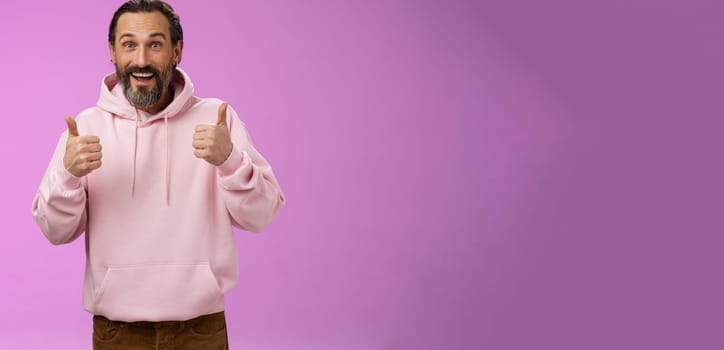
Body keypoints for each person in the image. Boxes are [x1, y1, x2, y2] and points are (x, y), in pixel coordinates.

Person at [31, 0, 285, 348]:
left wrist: (230, 160)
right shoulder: (86, 127)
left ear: (177, 50)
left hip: (200, 328)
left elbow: (261, 215)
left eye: (155, 44)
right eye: (129, 44)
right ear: (112, 51)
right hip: (118, 331)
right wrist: (68, 176)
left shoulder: (216, 120)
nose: (141, 60)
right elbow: (56, 232)